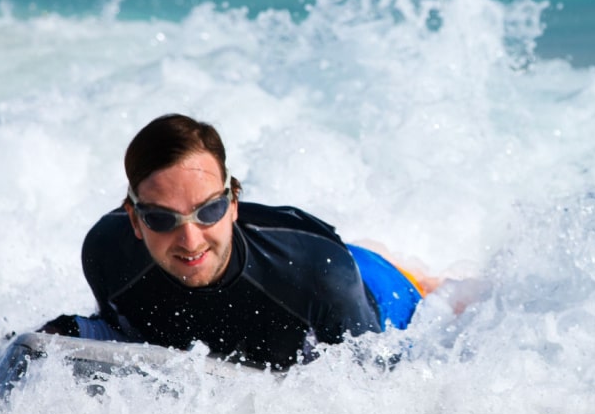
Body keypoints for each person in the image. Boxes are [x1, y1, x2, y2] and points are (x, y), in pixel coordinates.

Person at [39, 113, 427, 371]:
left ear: (234, 202)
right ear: (135, 221)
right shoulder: (108, 251)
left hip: (379, 288)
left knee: (447, 294)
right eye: (161, 219)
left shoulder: (315, 272)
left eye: (208, 211)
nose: (190, 240)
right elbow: (123, 334)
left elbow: (378, 386)